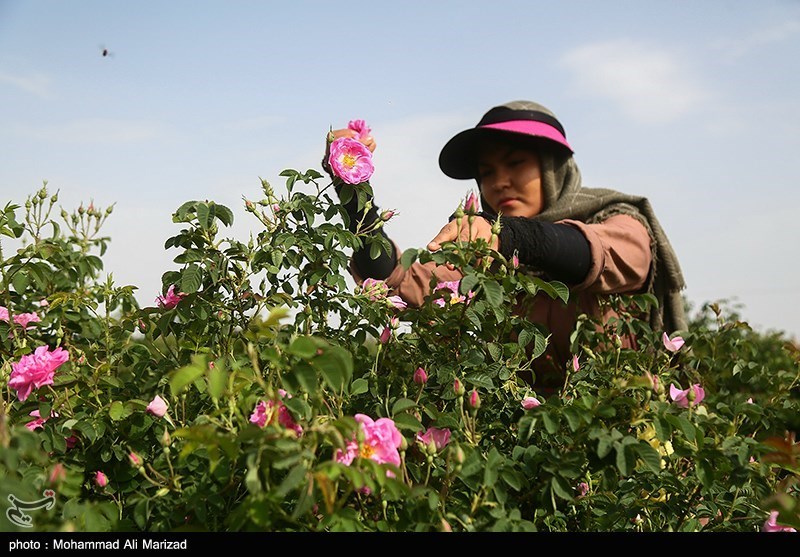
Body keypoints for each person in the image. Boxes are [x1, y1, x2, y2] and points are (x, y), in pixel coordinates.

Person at [325, 100, 687, 395]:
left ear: (553, 167)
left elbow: (600, 254)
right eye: (487, 172)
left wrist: (510, 237)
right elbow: (392, 279)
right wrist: (353, 190)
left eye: (516, 164)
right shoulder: (482, 256)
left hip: (624, 443)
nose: (500, 183)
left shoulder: (617, 220)